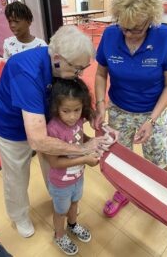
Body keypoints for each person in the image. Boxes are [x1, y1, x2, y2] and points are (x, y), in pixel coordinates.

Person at [0, 25, 110, 238]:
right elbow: (37, 141)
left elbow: (76, 92)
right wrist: (82, 147)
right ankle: (19, 215)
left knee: (52, 164)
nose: (79, 74)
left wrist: (92, 115)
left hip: (45, 122)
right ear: (57, 58)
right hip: (11, 127)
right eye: (77, 69)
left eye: (83, 68)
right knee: (16, 175)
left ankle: (58, 198)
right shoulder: (26, 71)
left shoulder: (62, 65)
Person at [94, 0, 167, 217]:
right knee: (121, 158)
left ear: (150, 20)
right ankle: (124, 191)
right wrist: (100, 105)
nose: (129, 34)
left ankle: (162, 193)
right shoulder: (110, 34)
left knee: (159, 159)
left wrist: (152, 120)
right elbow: (101, 72)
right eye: (124, 27)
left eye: (137, 29)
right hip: (119, 111)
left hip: (152, 112)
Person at [45, 78, 101, 255]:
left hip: (78, 177)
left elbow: (78, 136)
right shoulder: (53, 129)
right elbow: (54, 162)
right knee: (60, 211)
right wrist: (84, 158)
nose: (72, 116)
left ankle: (72, 225)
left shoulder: (77, 121)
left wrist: (90, 141)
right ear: (56, 108)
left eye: (77, 110)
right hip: (61, 182)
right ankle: (59, 235)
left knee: (75, 203)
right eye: (66, 111)